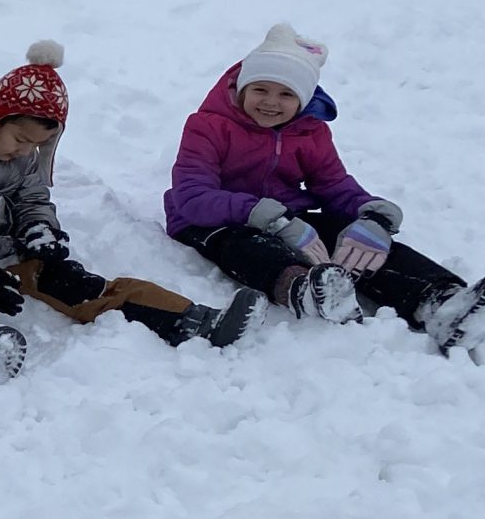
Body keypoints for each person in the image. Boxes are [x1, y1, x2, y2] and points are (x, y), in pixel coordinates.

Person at [0, 41, 261, 395]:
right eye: (19, 139)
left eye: (36, 145)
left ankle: (191, 320)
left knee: (78, 283)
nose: (25, 151)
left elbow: (32, 197)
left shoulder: (24, 150)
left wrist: (39, 228)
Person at [165, 23, 482, 355]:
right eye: (260, 89)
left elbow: (332, 184)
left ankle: (440, 302)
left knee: (355, 237)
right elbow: (192, 195)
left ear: (302, 99)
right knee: (247, 246)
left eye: (286, 94)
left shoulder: (310, 132)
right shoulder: (208, 126)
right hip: (212, 221)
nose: (271, 102)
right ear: (243, 88)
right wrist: (268, 217)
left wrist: (371, 215)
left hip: (289, 217)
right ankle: (303, 289)